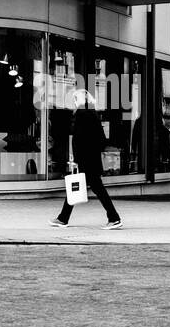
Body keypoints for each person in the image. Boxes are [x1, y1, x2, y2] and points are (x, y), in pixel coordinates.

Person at [50, 89, 122, 229]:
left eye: (75, 100)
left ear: (79, 100)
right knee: (80, 187)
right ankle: (63, 218)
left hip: (86, 159)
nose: (74, 103)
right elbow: (101, 139)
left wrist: (77, 158)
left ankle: (114, 218)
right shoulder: (92, 113)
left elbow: (79, 139)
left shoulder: (82, 114)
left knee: (92, 188)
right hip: (90, 158)